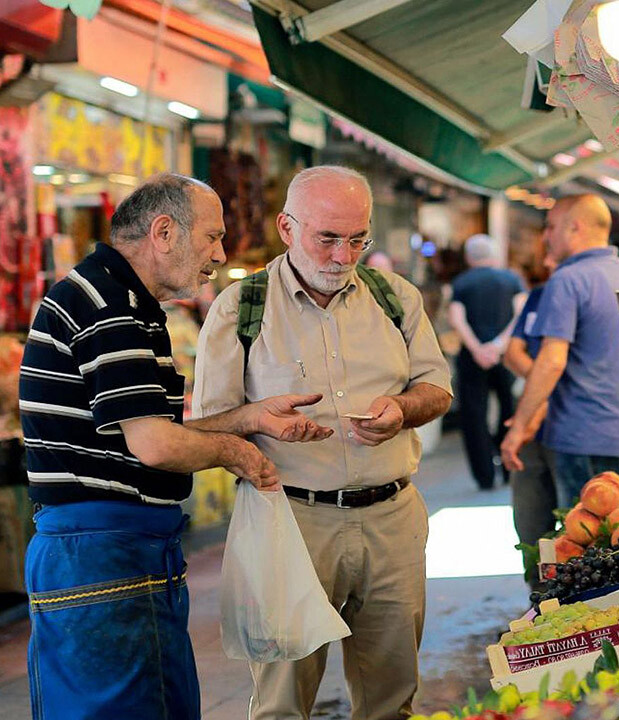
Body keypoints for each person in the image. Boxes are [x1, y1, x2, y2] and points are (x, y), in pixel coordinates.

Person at [20, 173, 331, 720]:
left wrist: (249, 419)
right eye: (211, 237)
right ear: (164, 232)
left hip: (115, 551)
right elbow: (156, 446)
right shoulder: (109, 304)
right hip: (103, 554)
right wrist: (241, 455)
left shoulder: (124, 300)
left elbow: (146, 433)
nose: (220, 253)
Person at [193, 166, 454, 720]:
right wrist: (261, 420)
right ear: (287, 228)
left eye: (358, 239)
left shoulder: (395, 297)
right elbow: (208, 426)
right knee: (282, 698)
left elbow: (437, 390)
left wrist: (403, 410)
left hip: (392, 519)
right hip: (290, 520)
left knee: (393, 694)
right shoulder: (240, 309)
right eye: (328, 238)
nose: (343, 256)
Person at [500, 194, 619, 505]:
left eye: (550, 227)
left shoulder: (567, 279)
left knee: (584, 542)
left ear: (574, 227)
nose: (546, 236)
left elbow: (551, 361)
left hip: (583, 436)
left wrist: (518, 427)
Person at [448, 234, 526, 490]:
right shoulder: (511, 279)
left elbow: (457, 319)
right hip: (506, 356)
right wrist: (498, 345)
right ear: (494, 254)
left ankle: (484, 475)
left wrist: (477, 349)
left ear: (469, 257)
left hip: (472, 359)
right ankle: (509, 468)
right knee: (509, 411)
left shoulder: (461, 283)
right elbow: (521, 314)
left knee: (474, 416)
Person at [504, 245, 558, 586]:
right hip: (531, 423)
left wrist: (543, 389)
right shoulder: (539, 297)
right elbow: (511, 353)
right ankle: (542, 604)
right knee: (532, 527)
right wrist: (545, 386)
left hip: (571, 426)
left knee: (576, 530)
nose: (548, 257)